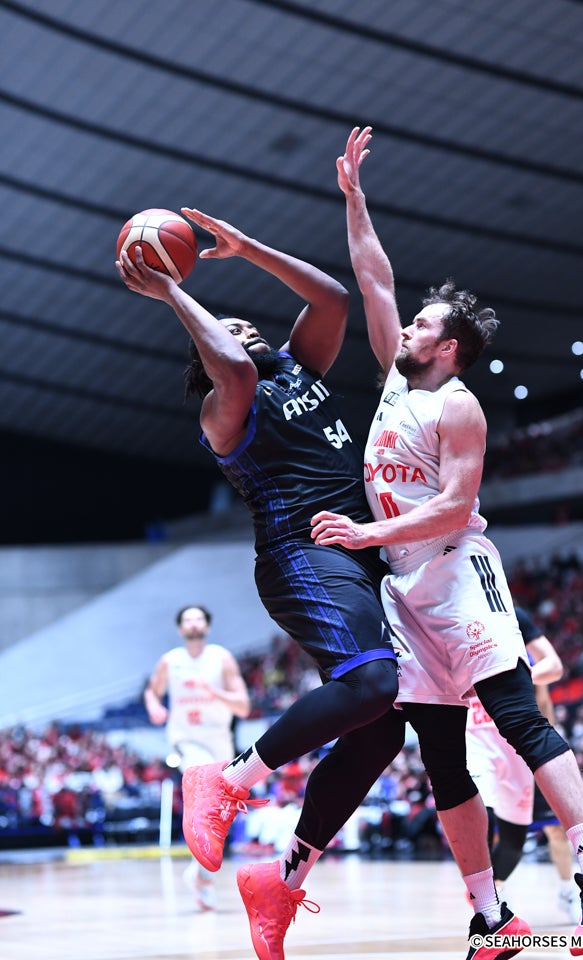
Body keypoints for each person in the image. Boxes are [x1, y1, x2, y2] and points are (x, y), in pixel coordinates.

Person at [310, 125, 583, 959]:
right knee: (441, 757)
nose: (406, 328)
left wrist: (368, 530)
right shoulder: (394, 383)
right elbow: (374, 277)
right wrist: (354, 200)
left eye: (421, 324)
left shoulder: (457, 406)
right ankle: (491, 916)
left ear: (447, 346)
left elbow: (456, 506)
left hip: (459, 573)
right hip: (404, 589)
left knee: (518, 717)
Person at [116, 212, 404, 957]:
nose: (242, 330)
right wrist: (173, 292)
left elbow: (333, 298)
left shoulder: (295, 366)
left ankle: (282, 878)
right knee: (374, 683)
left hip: (362, 552)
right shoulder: (224, 408)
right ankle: (228, 779)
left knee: (383, 729)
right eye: (225, 330)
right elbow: (234, 369)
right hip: (301, 554)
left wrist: (245, 250)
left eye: (246, 324)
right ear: (209, 357)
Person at [466, 605, 581, 923]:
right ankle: (496, 894)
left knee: (556, 828)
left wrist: (548, 749)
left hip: (525, 749)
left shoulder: (519, 651)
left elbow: (543, 702)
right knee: (497, 830)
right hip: (487, 752)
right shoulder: (463, 645)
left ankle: (567, 891)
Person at [143, 604, 251, 910]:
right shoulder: (170, 661)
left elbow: (243, 707)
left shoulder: (221, 658)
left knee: (219, 814)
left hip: (219, 742)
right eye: (187, 620)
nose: (193, 623)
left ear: (207, 626)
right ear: (180, 629)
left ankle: (201, 874)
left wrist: (215, 693)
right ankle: (202, 877)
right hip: (186, 740)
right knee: (204, 795)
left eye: (198, 618)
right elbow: (152, 692)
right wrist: (154, 706)